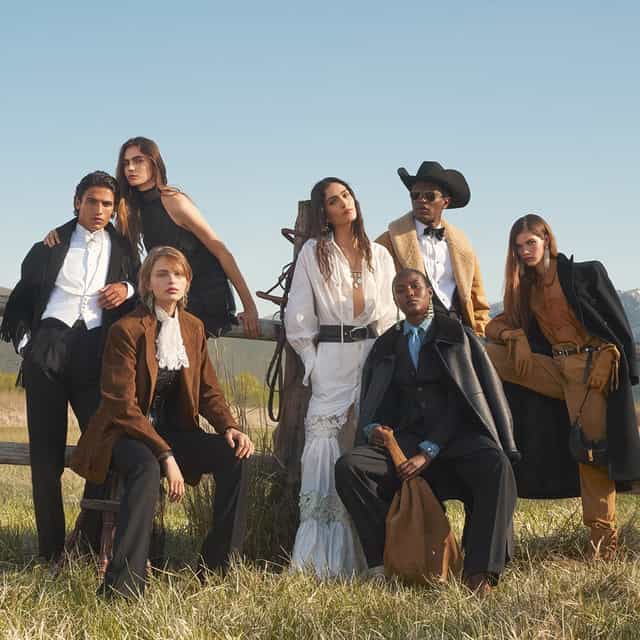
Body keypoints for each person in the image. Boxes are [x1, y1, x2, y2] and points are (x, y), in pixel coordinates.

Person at [71, 246, 254, 597]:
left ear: (187, 283)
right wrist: (165, 455)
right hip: (123, 433)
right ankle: (123, 587)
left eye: (178, 274)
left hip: (172, 432)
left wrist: (229, 427)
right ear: (147, 283)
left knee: (235, 456)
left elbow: (208, 390)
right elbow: (122, 405)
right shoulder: (126, 329)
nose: (172, 280)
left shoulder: (193, 328)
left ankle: (216, 569)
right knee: (147, 467)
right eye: (162, 274)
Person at [335, 269, 519, 595]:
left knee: (496, 465)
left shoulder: (456, 335)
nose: (409, 293)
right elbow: (379, 400)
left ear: (429, 292)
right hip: (406, 441)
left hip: (456, 439)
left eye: (415, 286)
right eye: (400, 289)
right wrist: (375, 427)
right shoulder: (387, 344)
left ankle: (480, 572)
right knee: (350, 467)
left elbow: (464, 401)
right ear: (395, 298)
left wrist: (430, 450)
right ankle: (385, 562)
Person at [0, 171, 137, 562]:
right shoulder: (49, 246)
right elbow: (20, 304)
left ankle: (88, 542)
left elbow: (144, 287)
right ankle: (51, 554)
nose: (99, 210)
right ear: (77, 202)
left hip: (95, 354)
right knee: (45, 460)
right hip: (47, 351)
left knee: (104, 445)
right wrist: (27, 346)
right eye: (92, 201)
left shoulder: (125, 251)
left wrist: (126, 288)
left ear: (115, 208)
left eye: (107, 204)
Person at [485, 214, 640, 559]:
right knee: (488, 354)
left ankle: (603, 545)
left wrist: (611, 354)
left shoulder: (584, 273)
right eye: (518, 246)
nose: (525, 251)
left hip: (591, 368)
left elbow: (616, 323)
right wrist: (513, 334)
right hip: (555, 367)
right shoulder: (525, 290)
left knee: (592, 454)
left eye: (531, 242)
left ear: (546, 240)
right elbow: (492, 325)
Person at [284, 177, 397, 576]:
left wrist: (389, 364)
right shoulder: (313, 253)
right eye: (334, 201)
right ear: (324, 212)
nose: (344, 203)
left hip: (373, 357)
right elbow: (299, 313)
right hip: (331, 359)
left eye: (346, 195)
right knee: (324, 444)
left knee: (368, 443)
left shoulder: (379, 254)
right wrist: (311, 362)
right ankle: (322, 560)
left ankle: (375, 555)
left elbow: (390, 315)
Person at [46, 136, 259, 338]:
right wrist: (65, 231)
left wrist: (249, 306)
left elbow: (221, 251)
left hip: (204, 294)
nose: (130, 168)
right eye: (126, 163)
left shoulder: (174, 200)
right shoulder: (130, 209)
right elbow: (98, 221)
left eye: (138, 161)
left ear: (154, 163)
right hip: (168, 292)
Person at [376, 161, 490, 335]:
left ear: (445, 202)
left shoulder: (463, 245)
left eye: (429, 196)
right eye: (415, 195)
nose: (421, 200)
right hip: (411, 334)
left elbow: (477, 299)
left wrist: (479, 334)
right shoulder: (388, 242)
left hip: (458, 333)